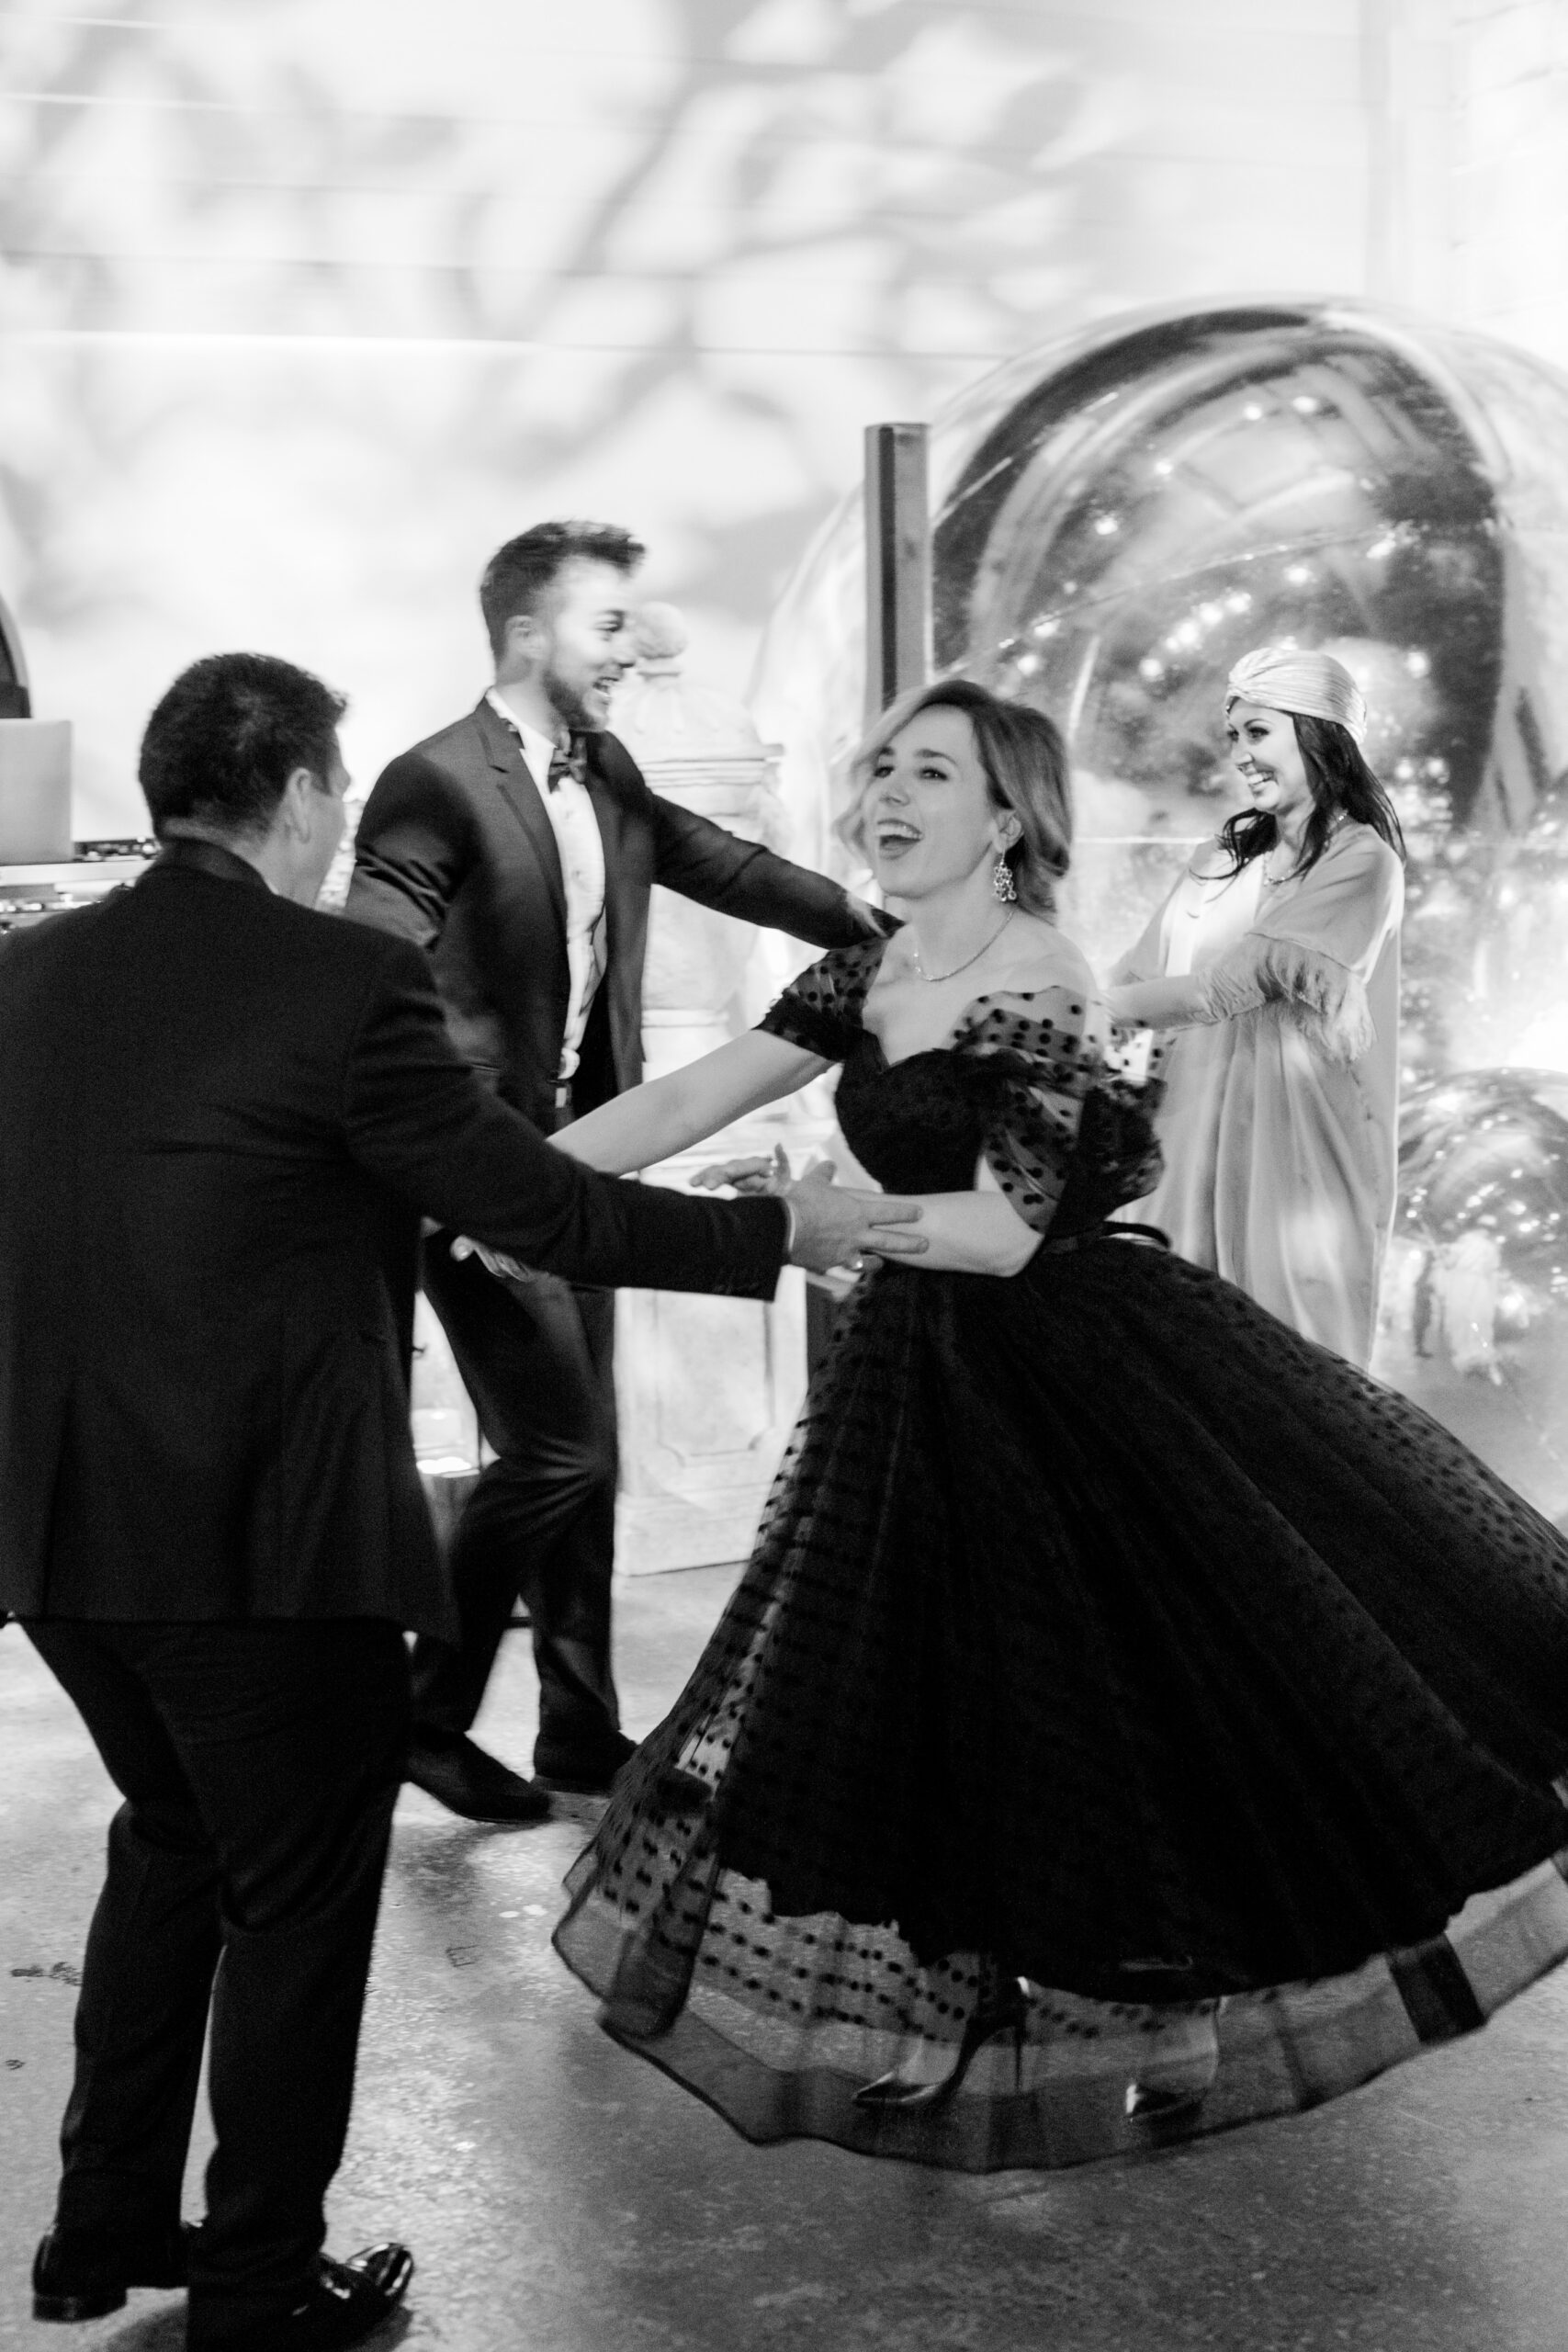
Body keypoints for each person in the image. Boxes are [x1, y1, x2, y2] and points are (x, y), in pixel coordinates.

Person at [0, 652, 920, 2349]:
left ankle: (101, 2226)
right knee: (293, 1896)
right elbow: (539, 1212)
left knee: (175, 1839)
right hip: (258, 1541)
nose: (337, 821)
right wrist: (778, 1235)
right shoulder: (342, 980)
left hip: (57, 1535)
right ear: (295, 797)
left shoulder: (30, 973)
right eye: (332, 794)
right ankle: (261, 2286)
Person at [549, 676, 1568, 2176]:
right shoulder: (867, 967)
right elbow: (699, 1087)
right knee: (924, 1693)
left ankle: (1160, 2004)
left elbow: (1002, 1231)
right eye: (880, 767)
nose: (887, 795)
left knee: (1086, 1699)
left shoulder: (1041, 973)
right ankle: (974, 1999)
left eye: (931, 774)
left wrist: (801, 1218)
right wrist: (516, 1180)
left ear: (1009, 816)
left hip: (1061, 1373)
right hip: (913, 1370)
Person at [345, 520, 893, 1821]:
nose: (627, 652)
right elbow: (373, 958)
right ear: (526, 633)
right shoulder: (431, 782)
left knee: (586, 1459)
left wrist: (873, 928)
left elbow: (726, 866)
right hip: (473, 1174)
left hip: (581, 1165)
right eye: (604, 626)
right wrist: (440, 1144)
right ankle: (421, 1719)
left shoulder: (602, 767)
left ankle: (579, 1734)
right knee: (560, 1454)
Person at [1104, 645, 1404, 1365]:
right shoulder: (1218, 858)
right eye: (1232, 735)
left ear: (1318, 734)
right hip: (1181, 1144)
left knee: (1290, 1383)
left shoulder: (1362, 861)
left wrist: (1077, 1004)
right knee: (1171, 1373)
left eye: (1257, 732)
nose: (1238, 754)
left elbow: (1232, 985)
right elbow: (1139, 969)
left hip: (1296, 1162)